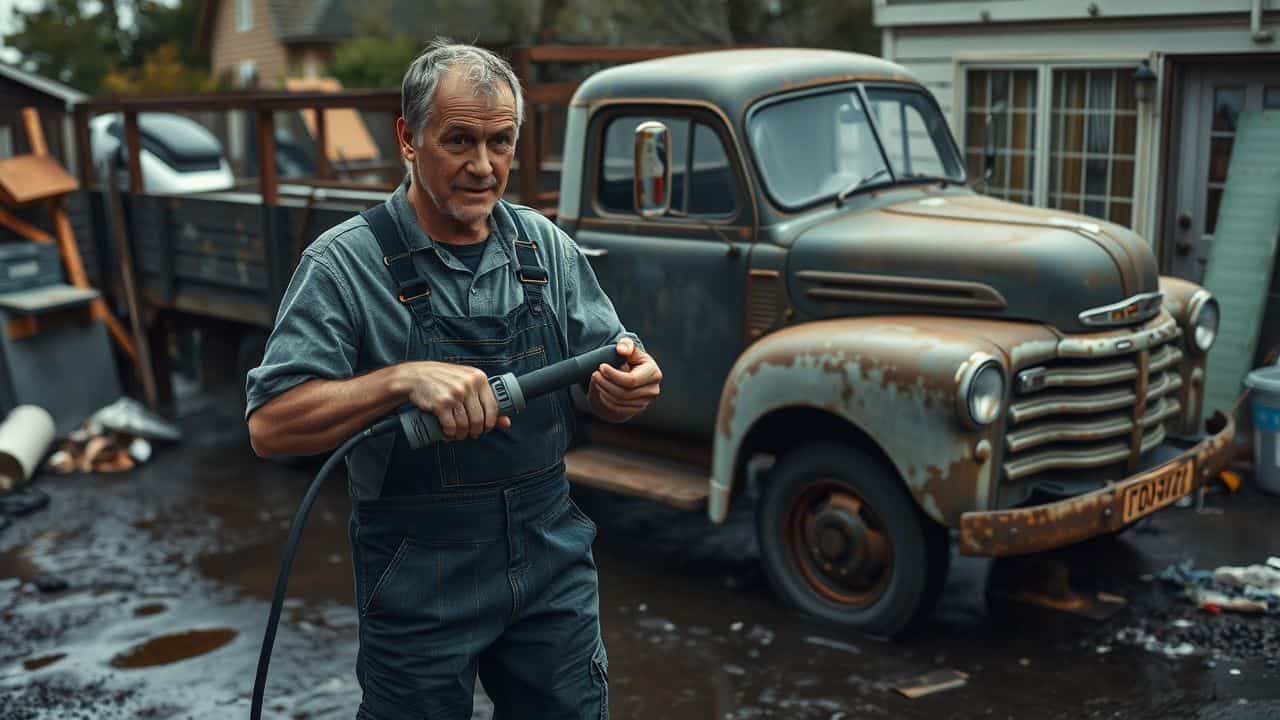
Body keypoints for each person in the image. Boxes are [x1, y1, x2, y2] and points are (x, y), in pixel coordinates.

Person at [245, 39, 662, 720]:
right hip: (417, 568)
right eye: (459, 140)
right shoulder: (344, 266)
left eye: (501, 143)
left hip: (549, 549)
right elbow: (270, 426)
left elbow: (609, 372)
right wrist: (399, 381)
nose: (483, 166)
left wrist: (627, 387)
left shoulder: (544, 248)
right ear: (408, 138)